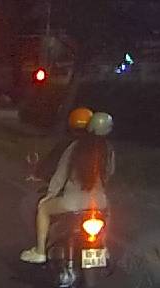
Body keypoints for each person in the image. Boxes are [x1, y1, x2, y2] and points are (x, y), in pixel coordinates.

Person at [20, 109, 115, 264]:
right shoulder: (108, 150)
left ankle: (40, 251)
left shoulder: (76, 147)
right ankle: (103, 247)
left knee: (43, 209)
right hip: (99, 202)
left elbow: (60, 174)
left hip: (71, 203)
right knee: (107, 214)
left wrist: (50, 195)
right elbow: (109, 173)